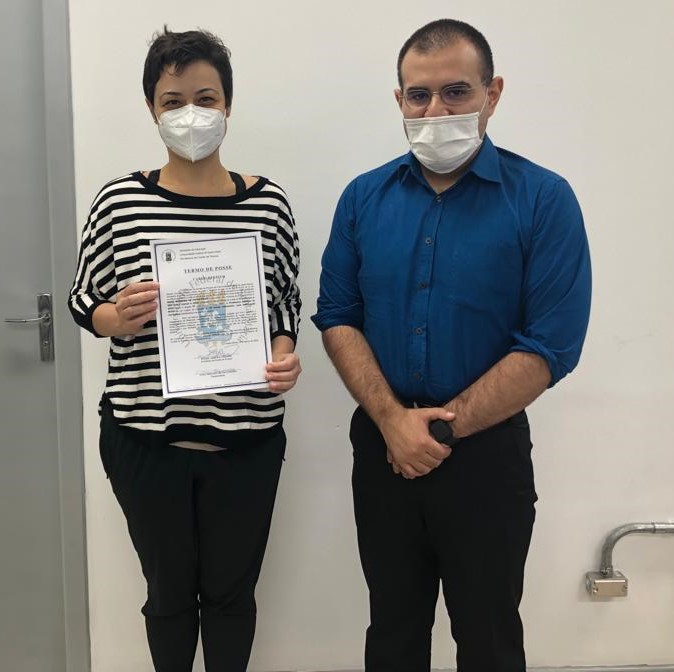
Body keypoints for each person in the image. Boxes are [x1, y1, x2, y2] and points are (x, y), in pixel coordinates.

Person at [312, 18, 591, 672]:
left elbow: (549, 346)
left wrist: (437, 430)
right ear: (399, 100)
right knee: (392, 634)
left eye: (456, 92)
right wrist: (392, 422)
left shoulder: (543, 200)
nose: (435, 111)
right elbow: (338, 317)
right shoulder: (363, 199)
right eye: (419, 95)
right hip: (383, 450)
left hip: (486, 458)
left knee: (489, 639)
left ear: (493, 93)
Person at [69, 28, 301, 672]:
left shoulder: (267, 203)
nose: (191, 114)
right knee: (168, 597)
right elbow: (84, 298)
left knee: (232, 598)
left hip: (246, 442)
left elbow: (285, 300)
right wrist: (115, 317)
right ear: (152, 108)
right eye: (173, 101)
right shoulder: (120, 201)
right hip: (146, 441)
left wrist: (284, 351)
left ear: (229, 104)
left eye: (206, 97)